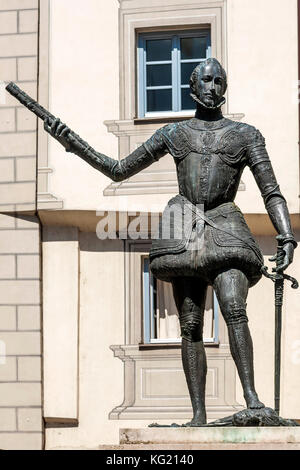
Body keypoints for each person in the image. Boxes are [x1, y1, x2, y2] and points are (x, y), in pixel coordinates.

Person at [44, 58, 297, 425]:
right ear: (193, 88)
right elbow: (118, 169)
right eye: (206, 80)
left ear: (224, 89)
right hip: (184, 230)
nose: (212, 87)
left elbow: (271, 192)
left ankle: (253, 400)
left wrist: (286, 235)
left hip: (226, 226)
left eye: (218, 81)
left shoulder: (246, 134)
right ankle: (198, 416)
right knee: (190, 324)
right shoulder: (174, 133)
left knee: (233, 308)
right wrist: (73, 144)